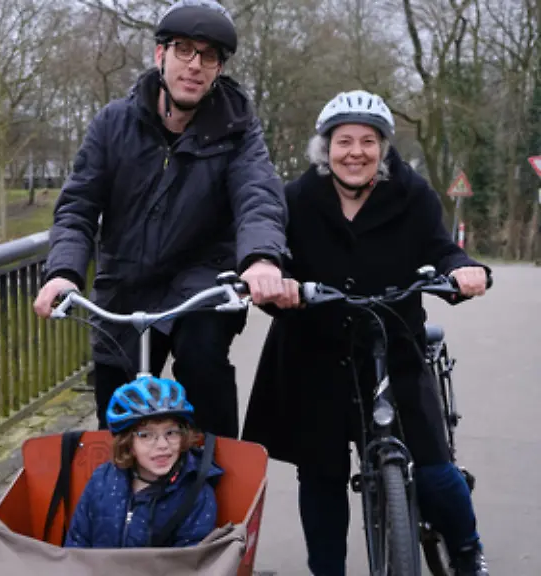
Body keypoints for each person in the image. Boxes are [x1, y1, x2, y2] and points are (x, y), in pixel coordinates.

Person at [241, 90, 490, 575]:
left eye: (368, 141)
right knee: (321, 475)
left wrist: (463, 269)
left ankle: (467, 552)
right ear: (325, 148)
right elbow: (271, 256)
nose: (355, 152)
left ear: (383, 148)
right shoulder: (295, 199)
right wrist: (275, 283)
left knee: (436, 473)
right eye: (344, 141)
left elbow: (442, 249)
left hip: (393, 346)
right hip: (316, 352)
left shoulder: (412, 194)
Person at [32, 0, 293, 439]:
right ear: (160, 55)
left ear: (219, 69)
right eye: (184, 50)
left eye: (208, 56)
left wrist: (262, 259)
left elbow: (258, 195)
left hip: (202, 282)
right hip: (127, 283)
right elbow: (77, 207)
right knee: (118, 415)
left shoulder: (237, 130)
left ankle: (216, 471)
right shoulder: (113, 124)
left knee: (202, 360)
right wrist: (63, 273)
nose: (194, 65)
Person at [64, 377, 223, 548]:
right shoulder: (102, 480)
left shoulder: (195, 493)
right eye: (146, 435)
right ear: (127, 442)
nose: (162, 445)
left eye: (171, 433)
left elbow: (190, 558)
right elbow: (77, 542)